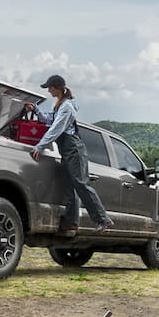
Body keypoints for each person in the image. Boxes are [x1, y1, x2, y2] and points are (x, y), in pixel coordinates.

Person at [25, 74, 114, 235]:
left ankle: (103, 219)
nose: (49, 90)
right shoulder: (59, 104)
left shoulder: (67, 107)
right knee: (69, 186)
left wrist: (40, 146)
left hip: (74, 150)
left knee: (80, 184)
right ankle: (70, 223)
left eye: (50, 87)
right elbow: (49, 120)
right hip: (66, 151)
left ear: (57, 87)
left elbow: (56, 128)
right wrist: (36, 110)